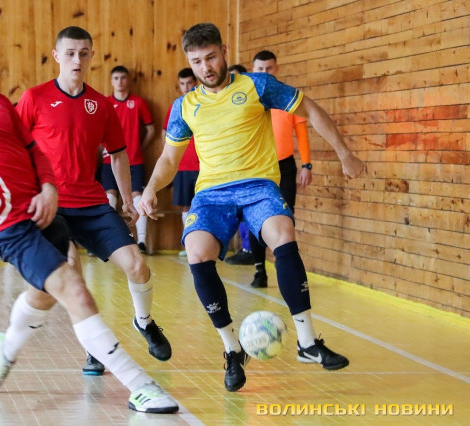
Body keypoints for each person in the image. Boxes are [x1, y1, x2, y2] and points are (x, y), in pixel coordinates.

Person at [0, 27, 178, 414]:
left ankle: (5, 348)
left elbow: (34, 150)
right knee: (75, 289)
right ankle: (140, 386)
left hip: (46, 209)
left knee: (44, 295)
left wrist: (48, 188)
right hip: (10, 226)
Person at [137, 23, 364, 392]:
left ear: (224, 51)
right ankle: (232, 349)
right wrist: (149, 189)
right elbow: (168, 159)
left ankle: (308, 342)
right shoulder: (185, 106)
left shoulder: (257, 85)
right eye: (197, 62)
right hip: (212, 194)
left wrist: (344, 154)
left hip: (258, 187)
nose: (206, 67)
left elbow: (310, 109)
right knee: (197, 252)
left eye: (211, 57)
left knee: (283, 235)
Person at [15, 26, 171, 377]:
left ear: (91, 57)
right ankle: (95, 350)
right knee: (73, 276)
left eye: (83, 53)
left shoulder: (100, 104)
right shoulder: (34, 98)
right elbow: (16, 149)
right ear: (56, 56)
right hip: (53, 206)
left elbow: (118, 154)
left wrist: (128, 201)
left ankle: (144, 321)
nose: (77, 60)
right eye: (70, 53)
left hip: (91, 202)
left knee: (137, 265)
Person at [248, 49, 313, 288]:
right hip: (256, 167)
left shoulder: (288, 96)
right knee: (255, 217)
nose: (265, 72)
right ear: (253, 70)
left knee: (285, 217)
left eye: (269, 68)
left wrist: (306, 164)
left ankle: (285, 268)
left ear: (277, 69)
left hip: (284, 166)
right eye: (260, 69)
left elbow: (301, 132)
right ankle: (259, 270)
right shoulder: (247, 99)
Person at [102, 65, 155, 253]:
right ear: (111, 81)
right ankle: (107, 240)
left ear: (129, 80)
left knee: (138, 198)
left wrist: (140, 147)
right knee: (109, 197)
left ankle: (142, 241)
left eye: (123, 78)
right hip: (109, 161)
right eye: (116, 78)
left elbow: (151, 130)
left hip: (134, 160)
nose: (120, 81)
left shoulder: (139, 102)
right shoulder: (106, 103)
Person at [162, 68, 198, 257]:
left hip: (203, 166)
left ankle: (204, 246)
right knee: (186, 206)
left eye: (189, 83)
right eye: (182, 84)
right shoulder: (176, 106)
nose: (186, 87)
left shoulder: (204, 103)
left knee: (202, 205)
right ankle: (189, 245)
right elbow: (165, 133)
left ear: (196, 82)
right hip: (182, 166)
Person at [224, 64, 254, 265]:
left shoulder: (251, 103)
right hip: (229, 169)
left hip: (250, 168)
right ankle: (245, 248)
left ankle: (250, 250)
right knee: (238, 212)